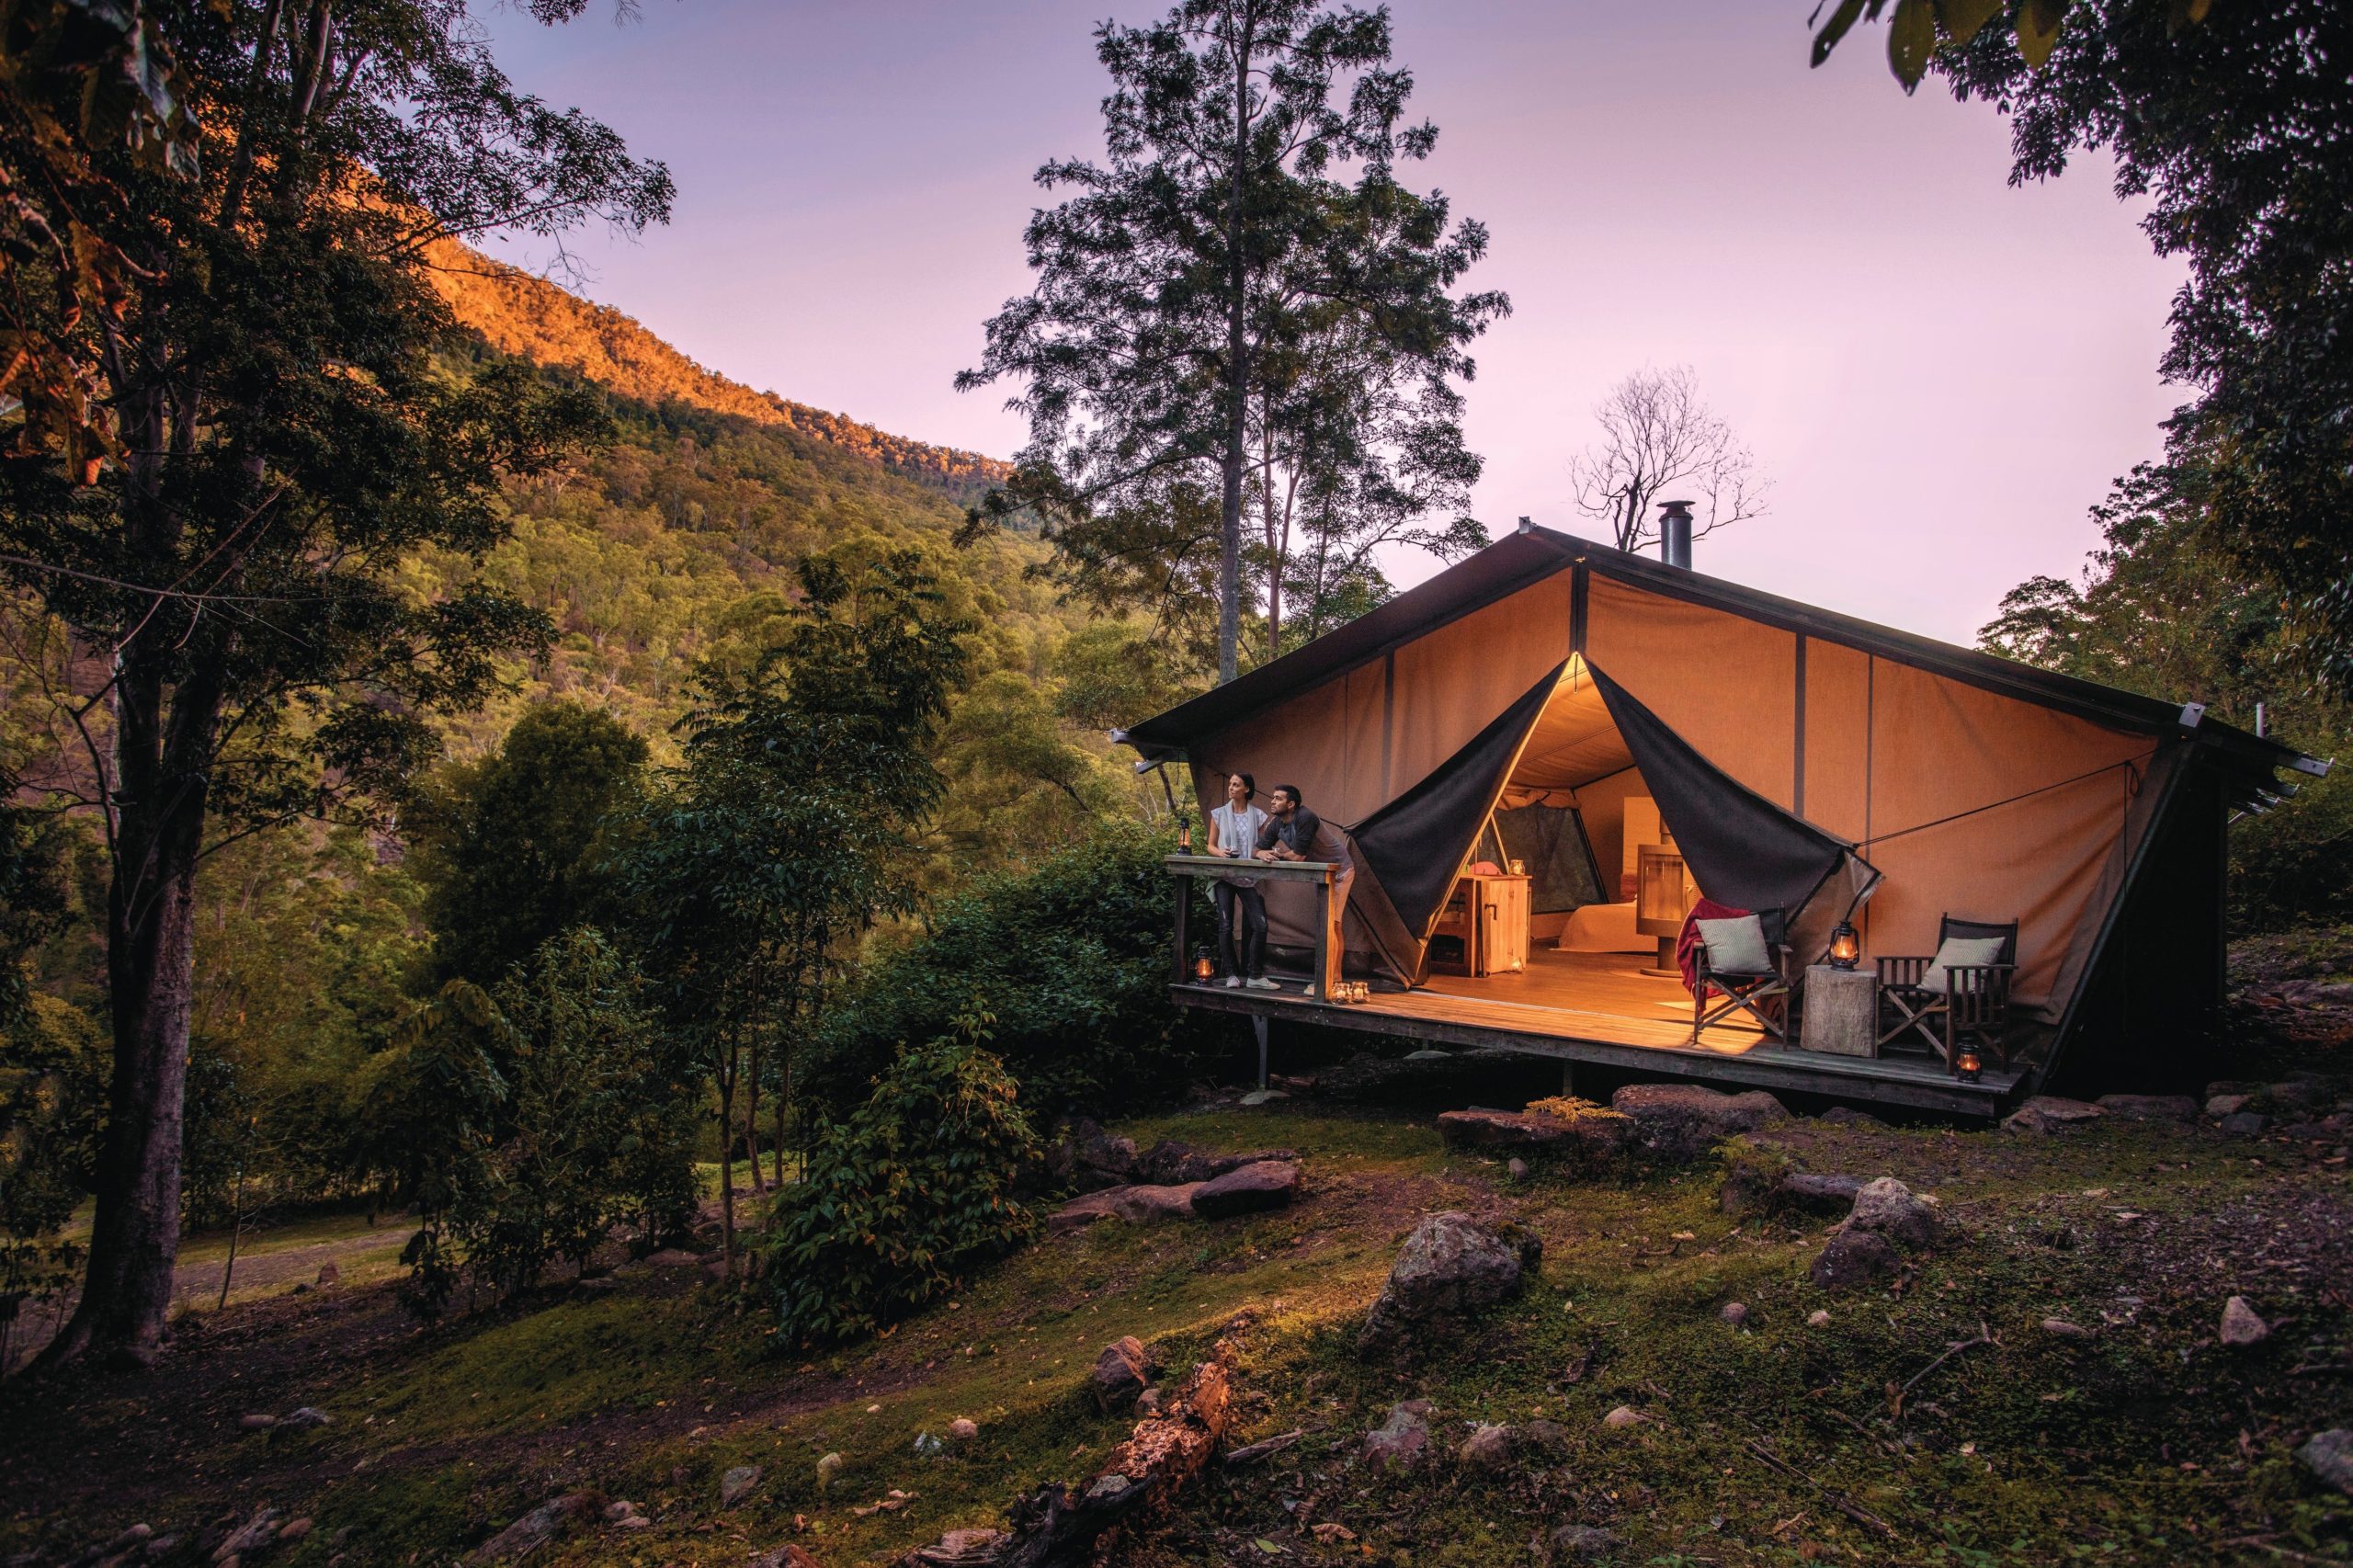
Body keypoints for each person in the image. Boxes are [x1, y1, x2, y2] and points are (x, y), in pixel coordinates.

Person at [1256, 783, 1353, 994]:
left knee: (1331, 925)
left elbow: (1298, 856)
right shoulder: (1277, 823)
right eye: (1273, 797)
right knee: (1333, 925)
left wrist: (1277, 855)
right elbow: (1258, 848)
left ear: (1291, 804)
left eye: (1278, 798)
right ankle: (1334, 978)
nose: (1272, 801)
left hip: (1340, 871)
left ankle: (1327, 981)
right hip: (1323, 874)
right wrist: (1261, 853)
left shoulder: (1305, 817)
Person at [1208, 772, 1275, 989]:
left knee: (1261, 925)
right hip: (1225, 875)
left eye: (1236, 785)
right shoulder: (1219, 814)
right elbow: (1210, 846)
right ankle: (1231, 974)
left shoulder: (1258, 816)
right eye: (1230, 784)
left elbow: (1263, 845)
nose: (1231, 788)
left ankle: (1255, 975)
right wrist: (1221, 853)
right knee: (1226, 926)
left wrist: (1265, 853)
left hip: (1249, 877)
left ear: (1246, 789)